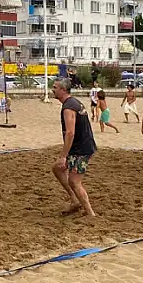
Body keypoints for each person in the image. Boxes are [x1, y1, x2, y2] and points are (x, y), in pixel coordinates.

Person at [51, 78, 97, 217]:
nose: (52, 89)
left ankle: (90, 214)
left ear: (63, 90)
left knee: (74, 181)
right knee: (57, 169)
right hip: (80, 146)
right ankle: (74, 200)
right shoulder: (73, 102)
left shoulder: (69, 106)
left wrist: (63, 156)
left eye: (55, 87)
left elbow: (70, 132)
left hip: (81, 148)